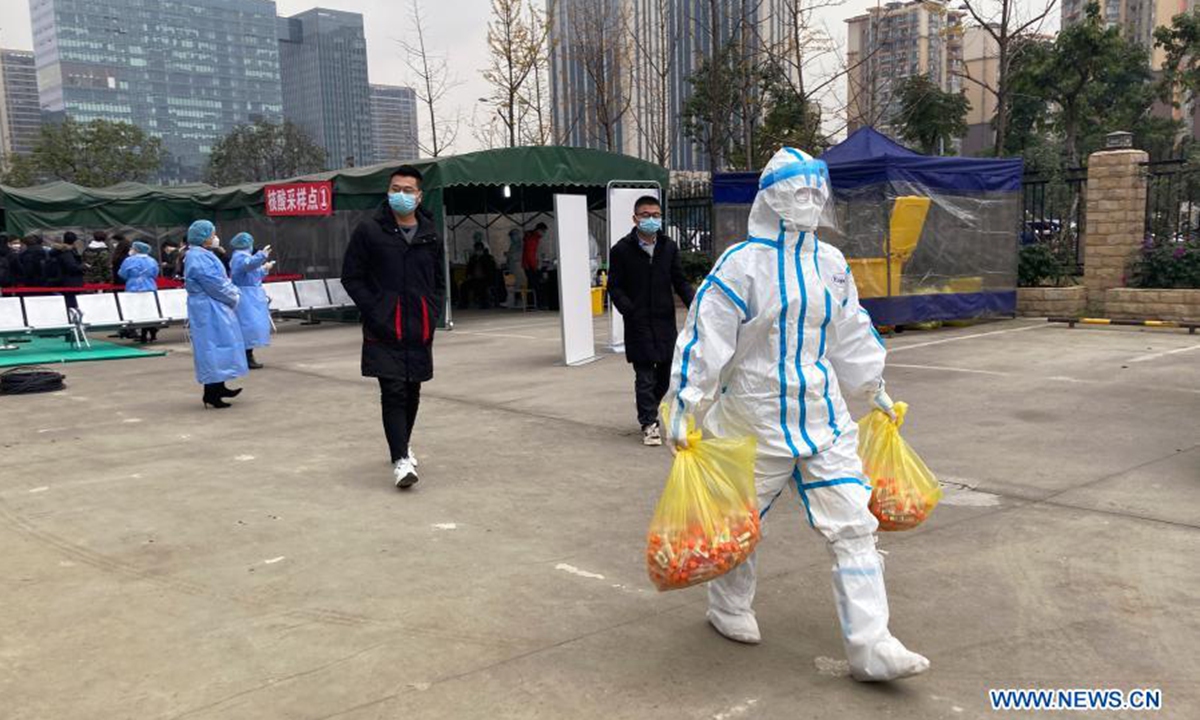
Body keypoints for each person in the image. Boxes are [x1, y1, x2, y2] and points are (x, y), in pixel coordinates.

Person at [663, 147, 929, 682]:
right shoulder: (741, 265)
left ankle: (871, 645)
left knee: (854, 523)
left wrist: (873, 386)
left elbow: (851, 331)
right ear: (773, 199)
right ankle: (728, 606)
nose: (809, 202)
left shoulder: (830, 263)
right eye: (799, 193)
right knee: (739, 524)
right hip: (753, 420)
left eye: (815, 193)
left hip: (822, 419)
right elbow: (704, 336)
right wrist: (685, 402)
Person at [341, 165, 446, 490]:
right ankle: (400, 460)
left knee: (413, 389)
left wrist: (433, 310)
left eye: (408, 190)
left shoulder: (430, 233)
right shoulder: (370, 230)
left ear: (419, 196)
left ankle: (403, 445)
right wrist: (375, 309)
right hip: (384, 326)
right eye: (395, 189)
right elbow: (351, 277)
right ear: (388, 192)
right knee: (393, 390)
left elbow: (438, 281)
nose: (401, 195)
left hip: (419, 325)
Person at [608, 196, 695, 446]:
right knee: (645, 376)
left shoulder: (668, 247)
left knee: (665, 377)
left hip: (664, 322)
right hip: (638, 323)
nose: (651, 219)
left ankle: (649, 409)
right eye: (646, 215)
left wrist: (696, 305)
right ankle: (649, 423)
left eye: (656, 215)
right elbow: (614, 286)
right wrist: (628, 309)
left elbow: (679, 281)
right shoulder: (621, 250)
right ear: (635, 219)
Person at [184, 220, 247, 409]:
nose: (215, 238)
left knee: (221, 345)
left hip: (212, 305)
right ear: (203, 237)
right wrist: (233, 295)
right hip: (209, 307)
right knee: (212, 348)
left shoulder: (202, 254)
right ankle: (211, 393)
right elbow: (214, 283)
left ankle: (219, 386)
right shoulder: (198, 257)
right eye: (212, 235)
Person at [229, 232, 274, 369]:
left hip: (252, 296)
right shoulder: (239, 257)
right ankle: (246, 357)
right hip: (245, 297)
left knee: (252, 328)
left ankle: (248, 355)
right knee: (247, 328)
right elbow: (248, 265)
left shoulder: (245, 257)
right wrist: (261, 256)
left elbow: (252, 273)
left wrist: (264, 269)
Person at [119, 241, 161, 342]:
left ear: (136, 250)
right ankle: (151, 331)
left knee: (137, 311)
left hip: (133, 287)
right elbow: (155, 274)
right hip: (150, 286)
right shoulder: (152, 260)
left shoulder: (129, 260)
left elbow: (123, 273)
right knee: (149, 310)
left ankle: (142, 334)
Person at [459, 234, 497, 309]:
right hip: (474, 278)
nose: (478, 251)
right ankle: (464, 304)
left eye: (479, 249)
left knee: (482, 286)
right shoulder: (473, 258)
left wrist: (481, 259)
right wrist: (468, 275)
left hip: (485, 278)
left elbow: (491, 269)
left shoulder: (488, 258)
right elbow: (468, 269)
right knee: (464, 286)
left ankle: (485, 304)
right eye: (476, 249)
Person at [52, 232, 84, 307]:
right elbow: (72, 267)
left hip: (64, 280)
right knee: (71, 303)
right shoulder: (67, 253)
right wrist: (82, 266)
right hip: (71, 281)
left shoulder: (60, 252)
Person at [522, 222, 547, 302]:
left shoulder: (531, 237)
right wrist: (535, 267)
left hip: (528, 265)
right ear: (539, 230)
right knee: (536, 285)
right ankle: (537, 303)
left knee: (531, 285)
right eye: (544, 231)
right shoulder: (533, 239)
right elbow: (531, 254)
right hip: (531, 266)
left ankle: (531, 304)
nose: (544, 233)